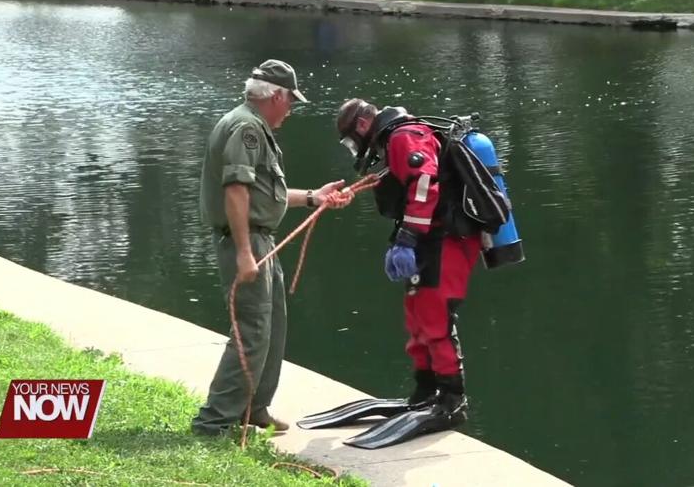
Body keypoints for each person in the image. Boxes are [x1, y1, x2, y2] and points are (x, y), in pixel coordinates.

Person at [297, 99, 482, 448]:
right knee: (417, 315)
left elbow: (424, 181)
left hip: (448, 239)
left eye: (351, 140)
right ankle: (425, 391)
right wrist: (405, 239)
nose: (355, 147)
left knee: (435, 314)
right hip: (429, 238)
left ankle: (452, 399)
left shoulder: (403, 136)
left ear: (362, 125)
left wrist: (408, 237)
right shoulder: (393, 139)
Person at [192, 59, 348, 436]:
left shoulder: (251, 124)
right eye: (290, 100)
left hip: (261, 240)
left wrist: (313, 197)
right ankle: (213, 421)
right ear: (276, 96)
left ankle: (254, 409)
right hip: (247, 241)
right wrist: (245, 252)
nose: (291, 109)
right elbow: (236, 191)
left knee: (271, 326)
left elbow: (264, 194)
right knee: (251, 330)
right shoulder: (246, 128)